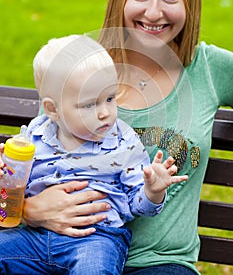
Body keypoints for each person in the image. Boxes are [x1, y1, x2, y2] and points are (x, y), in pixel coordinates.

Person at [1, 0, 232, 274]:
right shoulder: (79, 64)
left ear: (191, 2)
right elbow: (30, 163)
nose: (154, 13)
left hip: (159, 263)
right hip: (58, 250)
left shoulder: (210, 69)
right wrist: (30, 209)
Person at [0, 34, 188, 274]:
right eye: (89, 104)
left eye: (110, 98)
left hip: (96, 239)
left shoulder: (123, 142)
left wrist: (153, 191)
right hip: (34, 238)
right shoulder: (35, 136)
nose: (105, 113)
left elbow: (136, 206)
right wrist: (5, 175)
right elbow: (10, 197)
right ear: (52, 109)